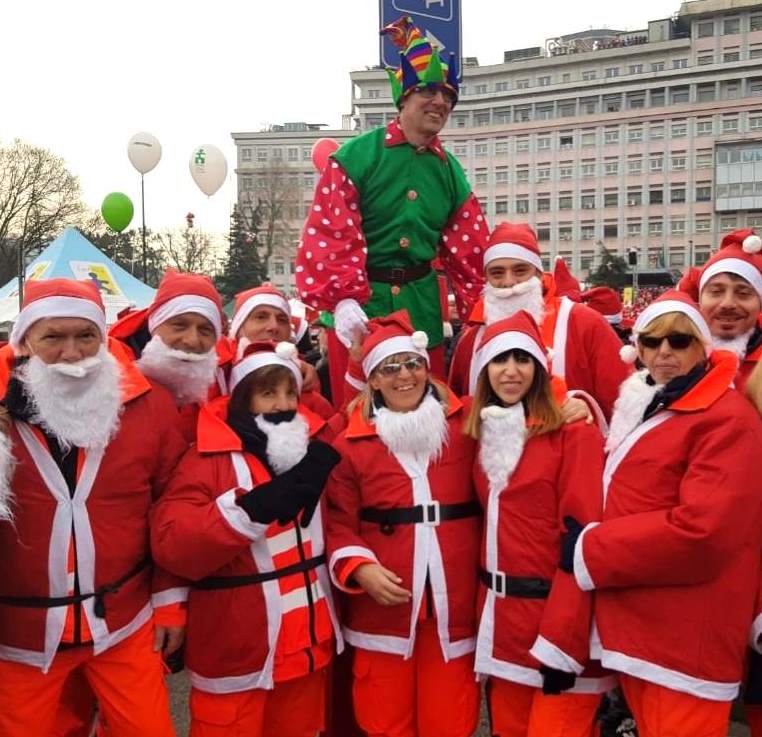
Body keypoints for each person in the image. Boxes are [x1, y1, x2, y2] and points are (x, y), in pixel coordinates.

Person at [569, 290, 762, 737]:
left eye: (678, 340)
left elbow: (702, 532)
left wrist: (589, 549)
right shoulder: (658, 403)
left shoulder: (727, 419)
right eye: (651, 342)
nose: (664, 353)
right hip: (644, 630)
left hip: (684, 638)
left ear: (702, 345)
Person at [0, 278, 187, 737]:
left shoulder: (148, 406)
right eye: (53, 337)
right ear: (24, 342)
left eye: (85, 336)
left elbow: (170, 507)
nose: (72, 352)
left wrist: (169, 606)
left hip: (124, 624)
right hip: (21, 639)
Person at [151, 340, 342, 737]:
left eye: (290, 392)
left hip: (308, 643)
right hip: (237, 645)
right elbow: (172, 544)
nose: (282, 404)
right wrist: (250, 510)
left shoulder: (310, 452)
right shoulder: (207, 460)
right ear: (242, 400)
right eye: (268, 393)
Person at [295, 15, 487, 399]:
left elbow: (471, 253)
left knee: (431, 413)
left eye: (448, 96)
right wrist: (345, 300)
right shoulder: (356, 157)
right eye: (429, 92)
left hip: (422, 310)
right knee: (358, 417)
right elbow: (331, 232)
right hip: (360, 310)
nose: (440, 102)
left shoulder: (450, 173)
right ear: (404, 98)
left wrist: (485, 312)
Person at [325, 311, 481, 737]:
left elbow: (530, 412)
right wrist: (359, 567)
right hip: (384, 607)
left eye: (412, 365)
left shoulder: (468, 426)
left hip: (455, 603)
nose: (403, 377)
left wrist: (574, 400)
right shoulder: (350, 444)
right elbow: (337, 522)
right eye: (389, 369)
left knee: (449, 719)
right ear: (373, 380)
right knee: (384, 719)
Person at [466, 311, 611, 737]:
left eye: (523, 359)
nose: (511, 371)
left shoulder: (573, 434)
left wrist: (564, 640)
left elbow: (583, 540)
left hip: (557, 629)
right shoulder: (477, 435)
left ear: (540, 369)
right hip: (504, 629)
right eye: (499, 360)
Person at [448, 222, 630, 423]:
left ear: (538, 274)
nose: (509, 282)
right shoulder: (470, 341)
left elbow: (625, 404)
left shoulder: (584, 324)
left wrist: (588, 409)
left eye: (520, 270)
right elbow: (458, 416)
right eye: (497, 273)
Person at [109, 269, 230, 442]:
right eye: (179, 325)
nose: (192, 340)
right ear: (154, 324)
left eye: (205, 330)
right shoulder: (107, 373)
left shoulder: (226, 375)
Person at [228, 285, 335, 419]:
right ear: (239, 329)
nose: (273, 326)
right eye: (261, 317)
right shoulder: (215, 378)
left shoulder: (310, 393)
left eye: (282, 320)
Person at [693, 229, 762, 392]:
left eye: (743, 293)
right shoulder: (668, 354)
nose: (727, 304)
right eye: (716, 292)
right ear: (700, 300)